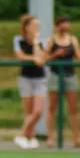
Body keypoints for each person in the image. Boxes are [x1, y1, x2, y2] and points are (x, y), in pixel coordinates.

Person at [45, 16, 80, 147]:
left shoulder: (72, 40)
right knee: (52, 107)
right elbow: (45, 58)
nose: (66, 25)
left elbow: (79, 55)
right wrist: (55, 55)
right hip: (56, 75)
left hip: (70, 75)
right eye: (64, 23)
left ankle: (77, 138)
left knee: (73, 108)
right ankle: (50, 138)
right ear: (58, 26)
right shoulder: (51, 40)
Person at [12, 14, 47, 149]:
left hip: (40, 78)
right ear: (27, 27)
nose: (36, 28)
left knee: (38, 111)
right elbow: (20, 56)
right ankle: (30, 138)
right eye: (34, 26)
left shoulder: (42, 41)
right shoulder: (18, 40)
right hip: (25, 78)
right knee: (28, 111)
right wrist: (33, 59)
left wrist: (36, 41)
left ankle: (21, 134)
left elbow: (41, 58)